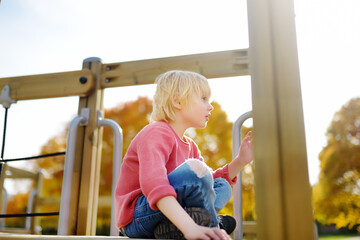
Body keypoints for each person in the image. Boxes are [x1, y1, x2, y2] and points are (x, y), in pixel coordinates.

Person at [114, 70, 253, 239]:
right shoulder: (156, 132)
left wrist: (240, 161)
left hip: (167, 214)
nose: (210, 106)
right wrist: (190, 229)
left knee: (222, 186)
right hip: (138, 217)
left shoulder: (191, 145)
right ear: (178, 101)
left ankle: (177, 226)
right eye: (203, 99)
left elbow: (207, 182)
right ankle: (212, 223)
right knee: (195, 170)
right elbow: (154, 185)